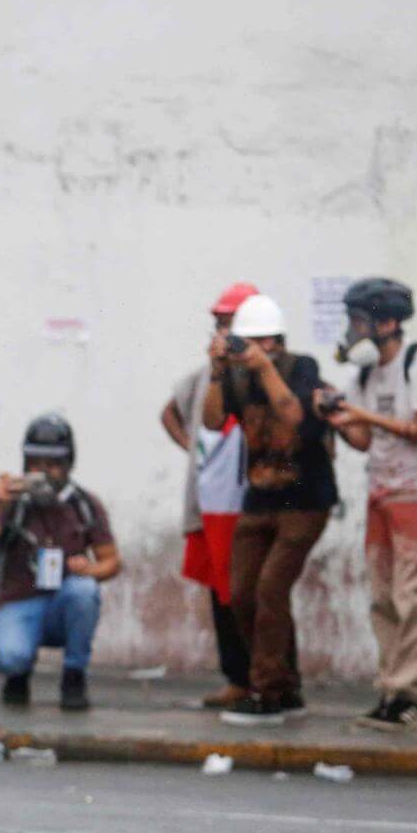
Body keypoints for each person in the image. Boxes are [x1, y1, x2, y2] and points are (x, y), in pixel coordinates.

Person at [202, 293, 335, 727]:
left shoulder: (302, 368)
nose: (253, 350)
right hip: (258, 498)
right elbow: (210, 421)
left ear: (276, 340)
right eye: (247, 342)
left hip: (306, 500)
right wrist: (217, 371)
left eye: (261, 342)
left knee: (271, 589)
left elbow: (294, 415)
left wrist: (264, 368)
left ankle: (267, 691)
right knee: (241, 592)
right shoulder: (236, 377)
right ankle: (286, 686)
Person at [323, 278, 417, 732]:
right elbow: (362, 440)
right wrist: (338, 419)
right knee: (383, 597)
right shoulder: (365, 373)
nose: (353, 330)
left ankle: (410, 697)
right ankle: (391, 691)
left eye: (360, 321)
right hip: (381, 494)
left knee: (412, 597)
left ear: (388, 323)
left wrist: (364, 415)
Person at [0, 415, 120, 711]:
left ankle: (74, 675)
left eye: (53, 464)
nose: (44, 472)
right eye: (36, 463)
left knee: (84, 592)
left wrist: (89, 570)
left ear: (68, 464)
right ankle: (18, 674)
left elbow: (111, 561)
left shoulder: (84, 504)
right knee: (9, 656)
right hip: (20, 601)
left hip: (63, 601)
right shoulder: (13, 501)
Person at [161, 282, 257, 708]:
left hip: (252, 504)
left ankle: (267, 679)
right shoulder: (206, 376)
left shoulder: (265, 373)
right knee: (222, 591)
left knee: (256, 594)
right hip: (215, 503)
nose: (222, 332)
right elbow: (170, 413)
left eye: (230, 323)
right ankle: (237, 678)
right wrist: (197, 454)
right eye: (219, 324)